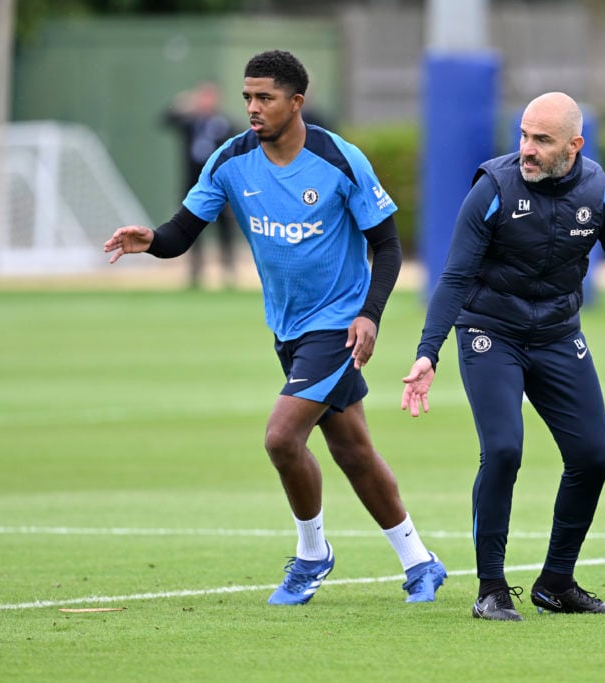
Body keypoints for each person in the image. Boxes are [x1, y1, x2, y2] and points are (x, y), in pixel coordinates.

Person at [105, 49, 447, 606]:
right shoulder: (230, 160)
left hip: (337, 327)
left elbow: (386, 245)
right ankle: (421, 562)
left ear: (296, 102)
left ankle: (312, 555)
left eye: (265, 97)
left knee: (282, 438)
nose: (253, 108)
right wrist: (151, 242)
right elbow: (181, 233)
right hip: (287, 329)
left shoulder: (339, 161)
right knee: (353, 450)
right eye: (247, 97)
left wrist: (370, 314)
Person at [401, 92, 605, 621]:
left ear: (574, 145)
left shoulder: (600, 192)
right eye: (523, 136)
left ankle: (556, 583)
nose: (527, 149)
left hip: (556, 335)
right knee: (502, 450)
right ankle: (491, 589)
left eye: (541, 140)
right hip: (489, 333)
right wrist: (427, 353)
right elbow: (454, 276)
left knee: (594, 455)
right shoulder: (492, 189)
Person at [163, 81, 240, 289]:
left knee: (225, 228)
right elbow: (166, 120)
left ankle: (229, 270)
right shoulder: (190, 122)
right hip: (193, 182)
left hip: (220, 184)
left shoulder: (224, 122)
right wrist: (182, 103)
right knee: (191, 226)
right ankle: (195, 271)